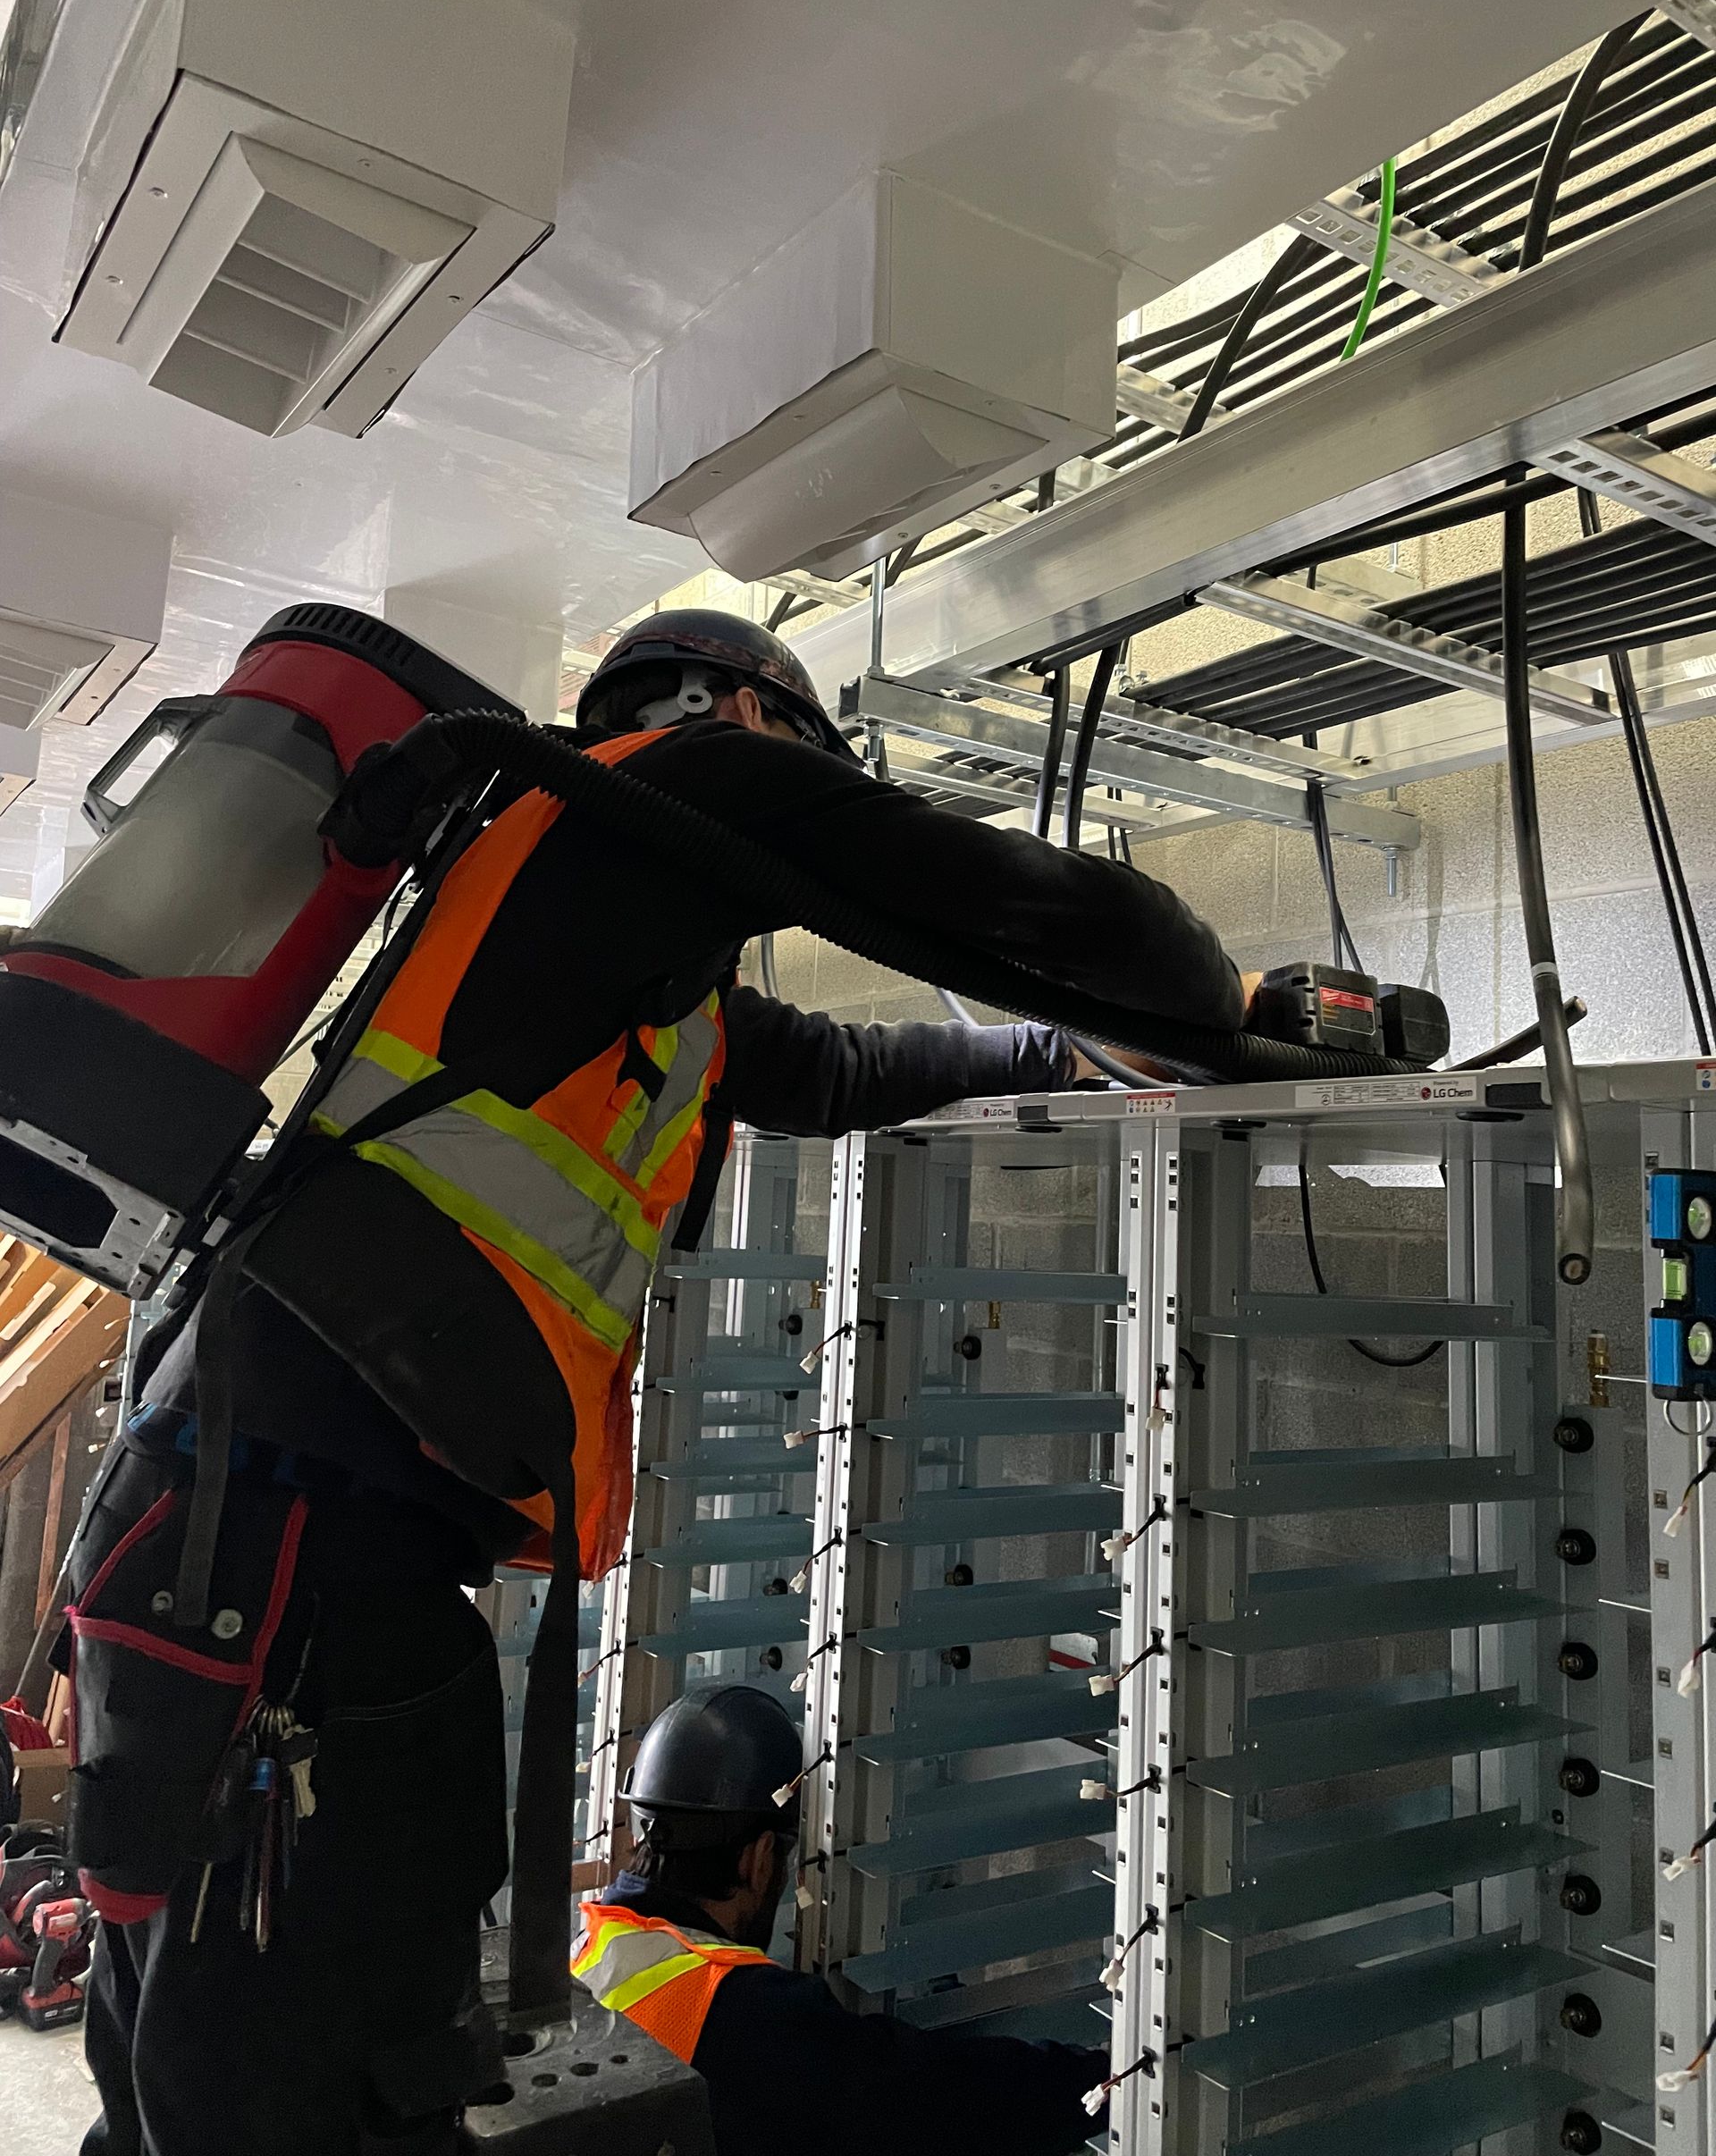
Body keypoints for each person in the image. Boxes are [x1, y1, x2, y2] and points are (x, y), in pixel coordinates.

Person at [63, 609, 1241, 2154]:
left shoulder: (597, 931)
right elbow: (1070, 917)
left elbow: (832, 1068)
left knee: (186, 2067)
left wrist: (1052, 1061)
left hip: (228, 1533)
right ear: (753, 711)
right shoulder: (689, 775)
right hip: (293, 1559)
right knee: (315, 2088)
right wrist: (1219, 1014)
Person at [578, 1683, 1107, 2156]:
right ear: (758, 1858)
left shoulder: (585, 1956)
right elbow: (937, 2101)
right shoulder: (744, 2015)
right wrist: (1099, 2082)